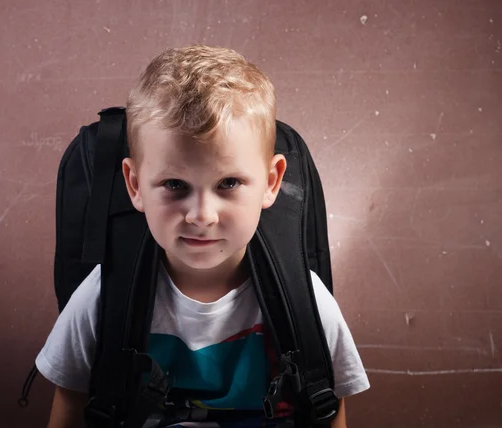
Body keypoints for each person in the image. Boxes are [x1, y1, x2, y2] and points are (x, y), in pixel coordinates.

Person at [35, 45, 370, 428]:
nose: (202, 216)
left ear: (271, 181)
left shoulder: (305, 301)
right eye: (175, 184)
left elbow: (327, 409)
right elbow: (71, 407)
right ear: (135, 185)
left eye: (228, 183)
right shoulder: (103, 297)